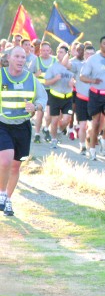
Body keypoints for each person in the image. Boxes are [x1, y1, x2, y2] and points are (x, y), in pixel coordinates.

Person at [0, 46, 48, 216]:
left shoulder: (31, 79)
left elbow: (43, 98)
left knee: (15, 166)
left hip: (22, 126)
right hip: (2, 124)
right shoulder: (1, 75)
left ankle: (8, 199)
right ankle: (1, 194)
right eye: (17, 56)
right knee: (5, 160)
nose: (21, 60)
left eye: (23, 57)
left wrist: (35, 106)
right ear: (9, 58)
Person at [43, 45, 74, 149]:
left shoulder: (71, 67)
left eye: (61, 52)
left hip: (68, 98)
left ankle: (60, 131)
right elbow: (46, 82)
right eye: (58, 52)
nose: (59, 54)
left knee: (67, 119)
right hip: (55, 97)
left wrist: (73, 82)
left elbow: (78, 79)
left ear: (66, 54)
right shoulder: (53, 67)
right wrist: (55, 79)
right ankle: (53, 140)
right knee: (54, 120)